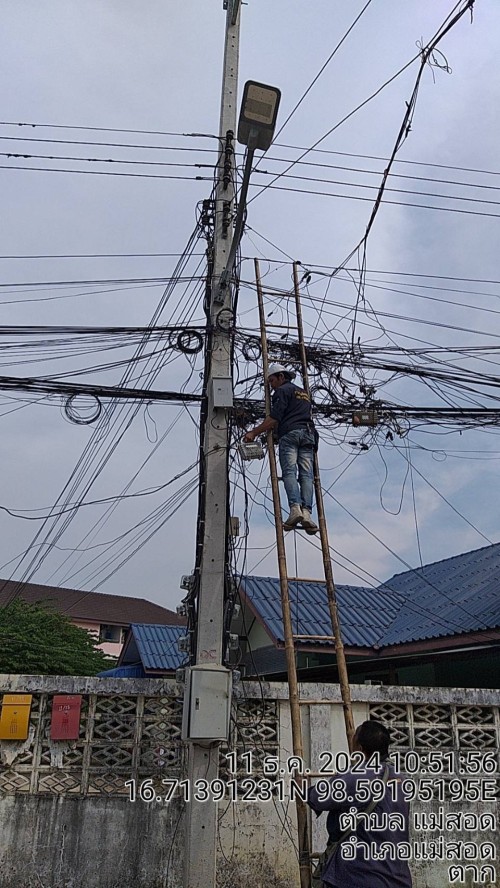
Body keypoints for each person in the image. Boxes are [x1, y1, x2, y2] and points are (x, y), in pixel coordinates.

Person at [308, 720, 412, 888]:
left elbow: (316, 798)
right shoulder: (402, 780)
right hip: (397, 878)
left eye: (354, 739)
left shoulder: (356, 777)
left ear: (360, 748)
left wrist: (300, 785)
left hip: (358, 876)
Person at [243, 363, 319, 533]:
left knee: (289, 472)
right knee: (307, 475)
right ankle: (307, 513)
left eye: (272, 381)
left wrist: (254, 432)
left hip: (290, 434)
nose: (271, 385)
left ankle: (295, 509)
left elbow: (274, 418)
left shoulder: (282, 391)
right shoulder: (303, 393)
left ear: (281, 377)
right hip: (308, 435)